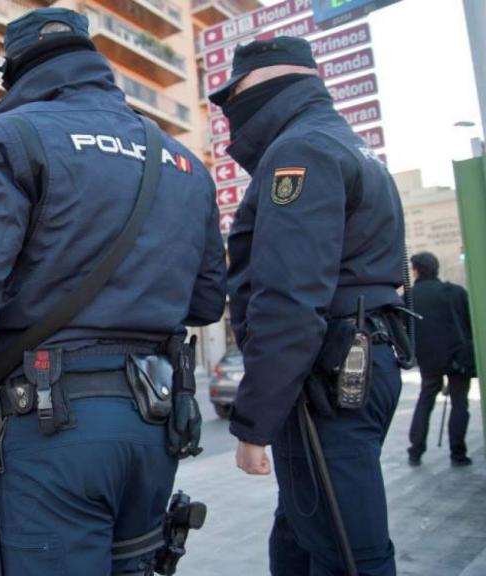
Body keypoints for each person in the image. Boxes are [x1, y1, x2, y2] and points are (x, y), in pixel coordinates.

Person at [0, 8, 225, 574]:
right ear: (94, 61)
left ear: (15, 74)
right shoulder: (184, 161)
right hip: (155, 424)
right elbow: (207, 302)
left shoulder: (12, 136)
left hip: (51, 426)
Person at [210, 37, 408, 576]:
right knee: (302, 533)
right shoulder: (342, 143)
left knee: (349, 553)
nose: (231, 108)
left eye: (238, 90)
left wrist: (254, 424)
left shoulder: (299, 151)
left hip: (330, 375)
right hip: (356, 361)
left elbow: (290, 301)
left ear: (269, 83)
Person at [407, 252, 475, 467]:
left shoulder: (409, 298)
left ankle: (415, 451)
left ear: (416, 270)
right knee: (459, 405)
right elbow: (470, 324)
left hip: (429, 361)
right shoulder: (455, 292)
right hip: (458, 359)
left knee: (425, 402)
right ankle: (458, 454)